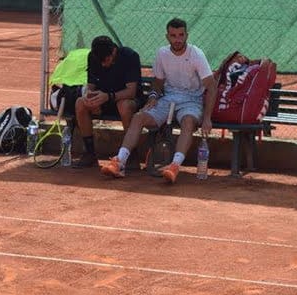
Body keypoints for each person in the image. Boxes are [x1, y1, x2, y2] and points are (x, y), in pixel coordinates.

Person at [100, 18, 216, 183]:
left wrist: (207, 118)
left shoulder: (196, 54)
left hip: (192, 100)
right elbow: (158, 82)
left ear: (186, 35)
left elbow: (212, 86)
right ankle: (120, 162)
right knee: (138, 117)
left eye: (181, 35)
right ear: (167, 36)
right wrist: (153, 96)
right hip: (167, 98)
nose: (177, 39)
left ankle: (174, 166)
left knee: (188, 122)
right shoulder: (162, 53)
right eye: (173, 35)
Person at [74, 36, 141, 168]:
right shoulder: (93, 57)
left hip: (126, 100)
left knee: (124, 106)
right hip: (104, 99)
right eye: (100, 62)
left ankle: (131, 153)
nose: (103, 65)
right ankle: (90, 153)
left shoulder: (130, 56)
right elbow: (91, 85)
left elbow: (131, 91)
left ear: (114, 51)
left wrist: (109, 97)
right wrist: (90, 97)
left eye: (106, 60)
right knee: (80, 103)